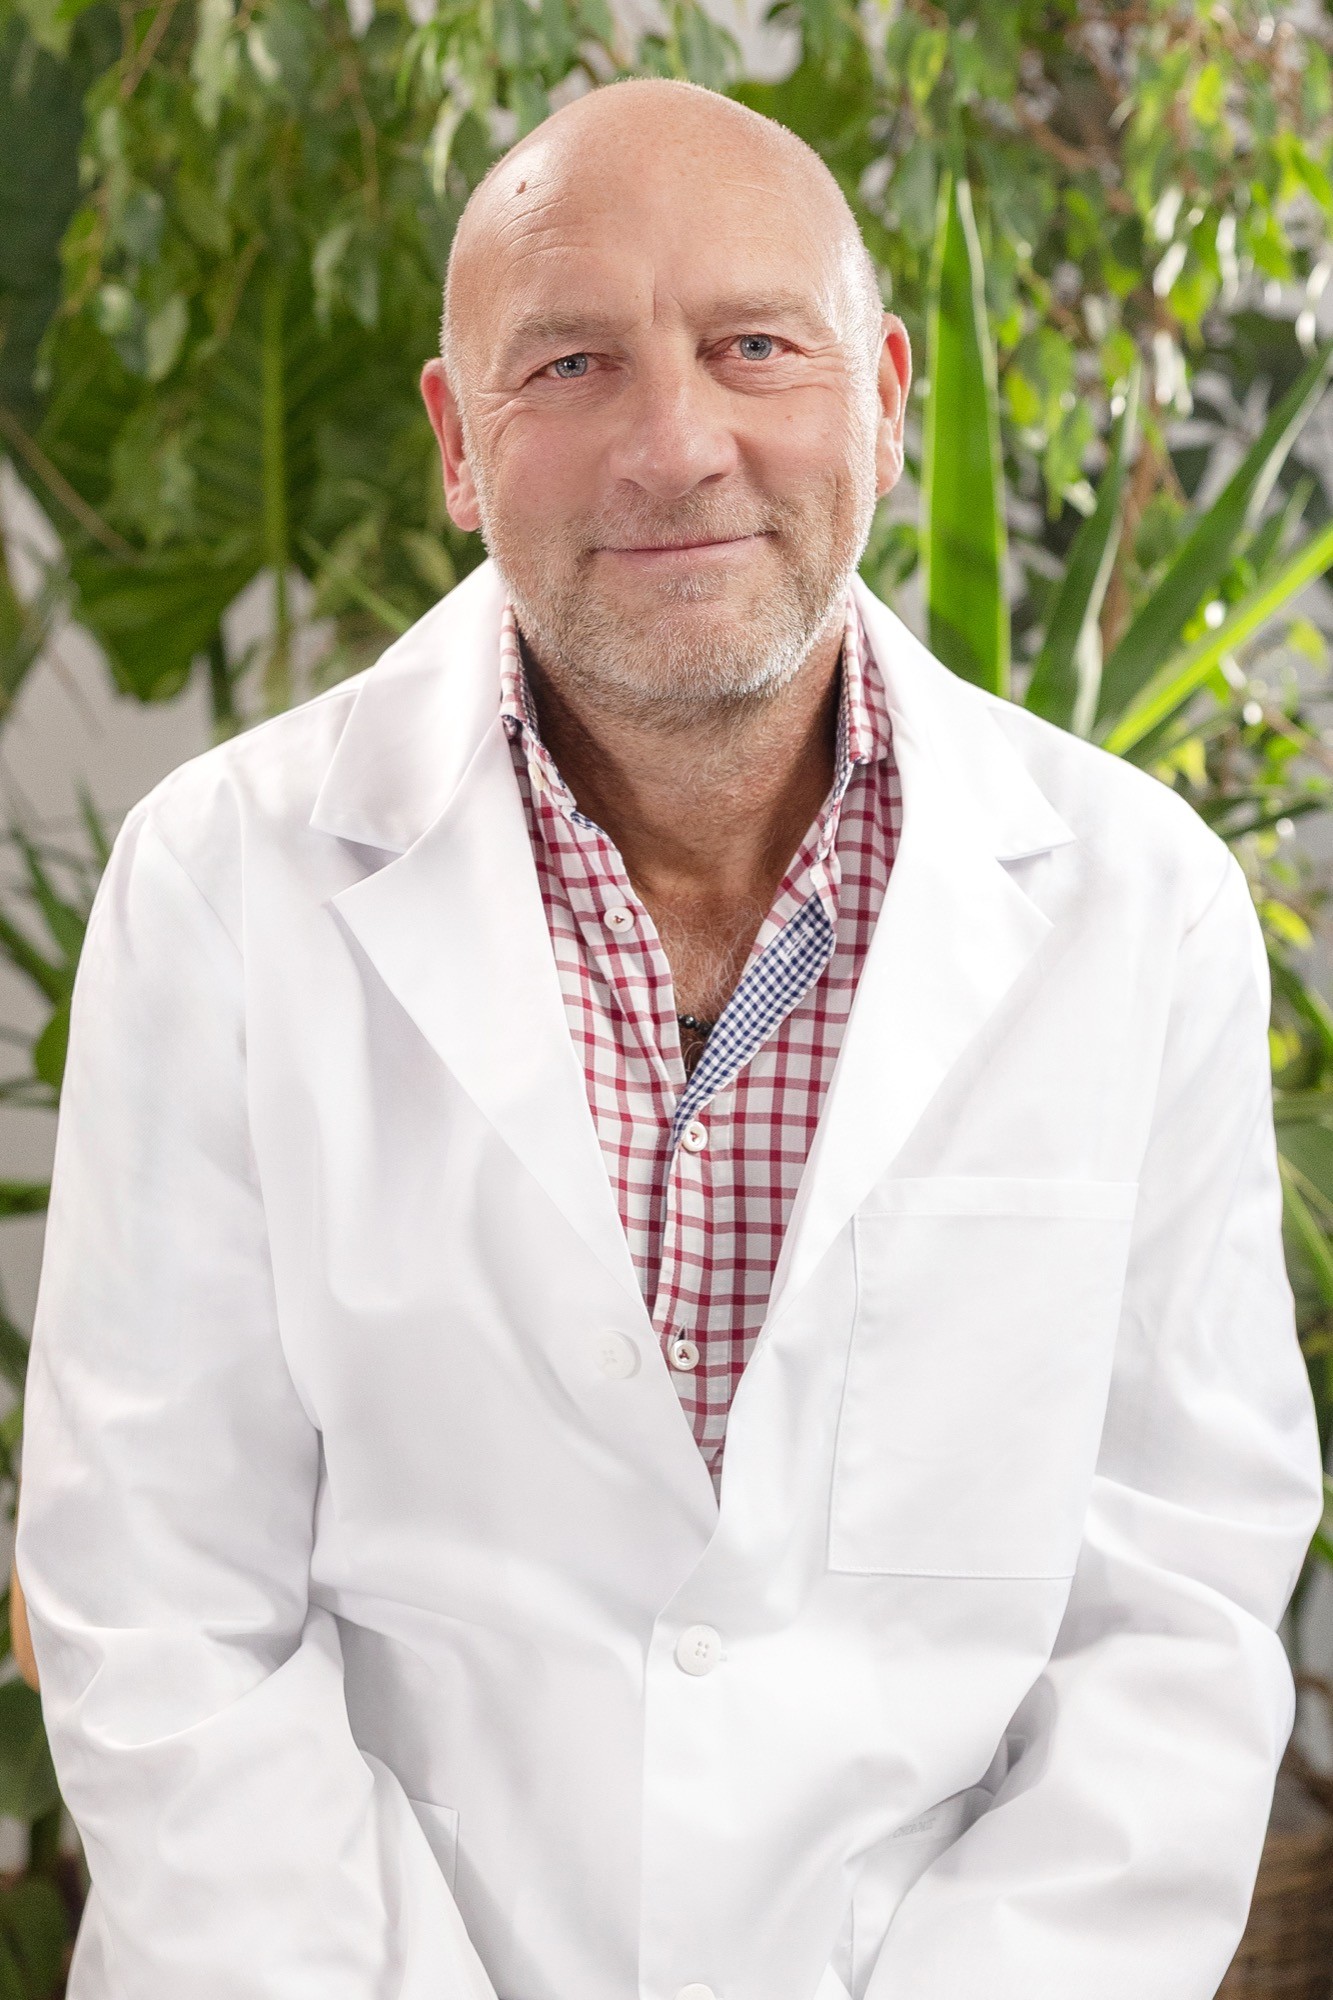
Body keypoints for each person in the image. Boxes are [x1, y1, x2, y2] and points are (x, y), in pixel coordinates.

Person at [15, 73, 1325, 2000]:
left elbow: (1173, 1610)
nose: (675, 445)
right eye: (569, 366)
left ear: (880, 391)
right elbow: (163, 1602)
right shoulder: (219, 886)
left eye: (752, 347)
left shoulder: (1135, 909)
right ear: (460, 445)